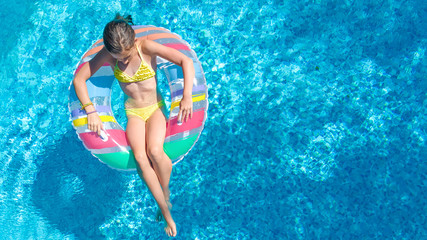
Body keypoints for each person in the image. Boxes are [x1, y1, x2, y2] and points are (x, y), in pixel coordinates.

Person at [73, 14, 195, 237]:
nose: (124, 61)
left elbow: (185, 61)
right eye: (118, 58)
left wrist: (186, 95)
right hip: (134, 113)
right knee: (140, 158)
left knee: (155, 151)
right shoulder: (109, 55)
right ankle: (165, 212)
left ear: (133, 43)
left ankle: (165, 195)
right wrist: (91, 111)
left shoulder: (146, 47)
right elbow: (80, 79)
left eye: (127, 56)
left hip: (156, 108)